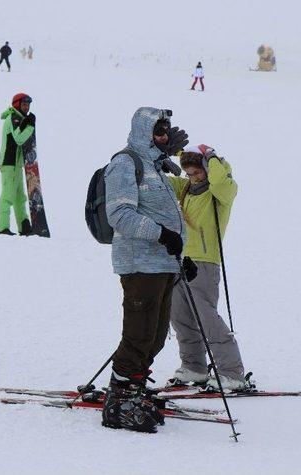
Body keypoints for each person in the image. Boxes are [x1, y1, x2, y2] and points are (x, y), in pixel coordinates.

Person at [101, 107, 189, 433]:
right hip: (139, 264)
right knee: (138, 335)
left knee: (155, 337)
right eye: (157, 131)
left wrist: (183, 256)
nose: (163, 137)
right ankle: (119, 403)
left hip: (162, 264)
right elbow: (120, 215)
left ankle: (134, 389)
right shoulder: (125, 164)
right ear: (143, 131)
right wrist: (162, 235)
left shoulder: (156, 167)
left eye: (166, 131)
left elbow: (172, 218)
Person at [165, 144, 248, 390]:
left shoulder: (220, 192)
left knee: (207, 318)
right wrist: (169, 155)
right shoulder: (185, 189)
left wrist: (211, 157)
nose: (193, 178)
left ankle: (232, 373)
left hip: (205, 262)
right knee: (180, 318)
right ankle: (194, 367)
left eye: (197, 172)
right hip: (180, 261)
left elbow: (222, 181)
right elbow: (162, 182)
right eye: (189, 173)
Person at [0, 93, 36, 236]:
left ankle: (24, 225)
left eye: (28, 104)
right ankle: (2, 227)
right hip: (9, 164)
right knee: (8, 196)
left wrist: (27, 123)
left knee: (19, 197)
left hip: (16, 165)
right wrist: (30, 126)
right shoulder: (13, 117)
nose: (26, 107)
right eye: (24, 104)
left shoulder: (19, 119)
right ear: (17, 104)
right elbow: (19, 138)